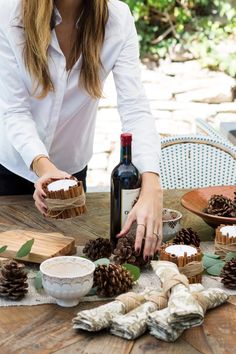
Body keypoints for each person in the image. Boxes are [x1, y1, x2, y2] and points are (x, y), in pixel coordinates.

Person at [0, 0, 163, 260]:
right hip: (11, 173)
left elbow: (135, 109)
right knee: (10, 268)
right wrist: (44, 168)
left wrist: (152, 185)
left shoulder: (117, 19)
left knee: (67, 260)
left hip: (72, 176)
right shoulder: (9, 14)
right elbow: (15, 111)